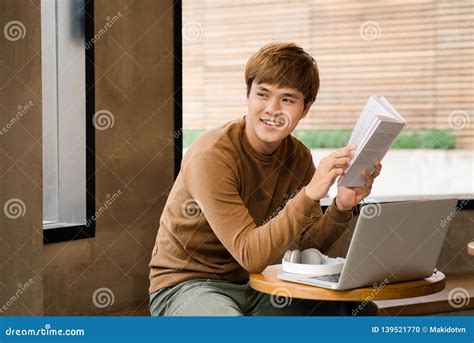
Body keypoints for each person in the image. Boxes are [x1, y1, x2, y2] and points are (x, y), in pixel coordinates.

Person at [148, 42, 382, 316]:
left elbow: (303, 249)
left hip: (262, 282)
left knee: (358, 312)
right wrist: (309, 195)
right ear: (248, 95)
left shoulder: (298, 157)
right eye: (262, 94)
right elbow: (250, 254)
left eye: (287, 99)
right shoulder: (211, 155)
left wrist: (340, 207)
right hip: (188, 285)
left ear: (305, 108)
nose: (272, 109)